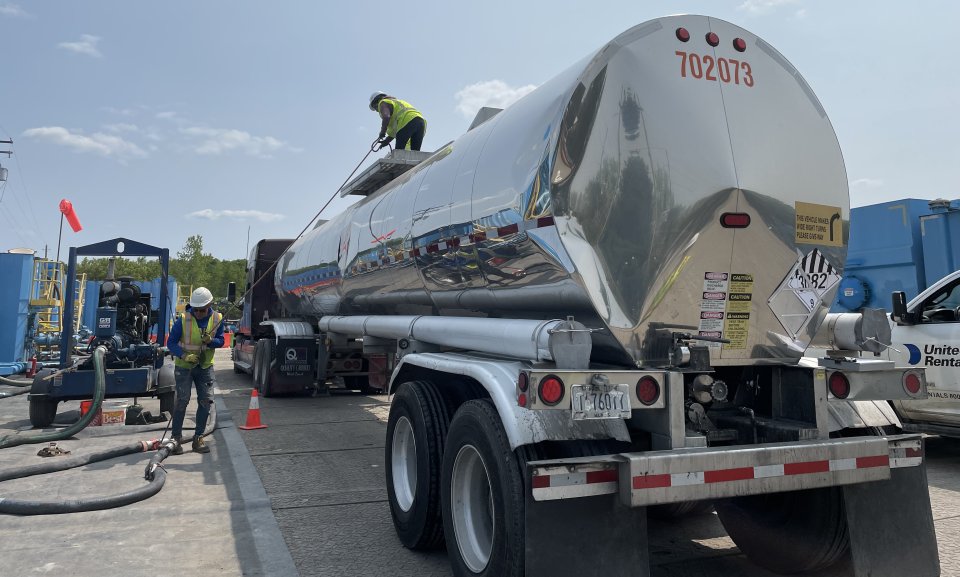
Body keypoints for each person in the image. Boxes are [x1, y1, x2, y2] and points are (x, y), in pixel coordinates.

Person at [166, 287, 224, 455]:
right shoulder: (183, 319)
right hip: (184, 367)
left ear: (209, 305)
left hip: (205, 367)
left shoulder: (218, 319)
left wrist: (211, 341)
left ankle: (198, 438)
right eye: (195, 309)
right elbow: (171, 343)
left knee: (205, 402)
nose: (198, 313)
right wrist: (184, 356)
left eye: (202, 310)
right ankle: (175, 438)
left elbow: (220, 341)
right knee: (182, 401)